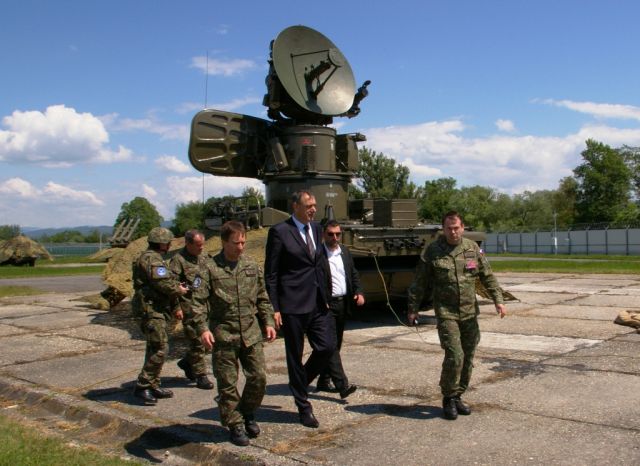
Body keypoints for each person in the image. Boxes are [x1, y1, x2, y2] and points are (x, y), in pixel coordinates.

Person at [407, 211, 506, 420]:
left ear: (462, 228)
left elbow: (487, 275)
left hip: (469, 312)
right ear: (443, 229)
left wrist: (498, 300)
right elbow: (419, 282)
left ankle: (459, 395)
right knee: (455, 355)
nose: (453, 232)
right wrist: (413, 308)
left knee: (468, 356)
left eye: (456, 228)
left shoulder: (472, 248)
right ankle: (448, 397)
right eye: (449, 228)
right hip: (446, 313)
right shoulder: (433, 251)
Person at [197, 221, 276, 447]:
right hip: (224, 335)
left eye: (243, 242)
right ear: (224, 242)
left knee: (259, 378)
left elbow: (262, 297)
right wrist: (203, 329)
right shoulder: (209, 268)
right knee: (227, 383)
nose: (240, 247)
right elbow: (197, 302)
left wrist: (268, 322)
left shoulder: (251, 265)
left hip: (251, 333)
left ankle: (247, 411)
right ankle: (235, 424)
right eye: (236, 243)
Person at [264, 190, 336, 428]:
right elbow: (271, 273)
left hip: (317, 302)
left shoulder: (316, 228)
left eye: (314, 205)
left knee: (326, 347)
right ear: (295, 206)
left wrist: (326, 294)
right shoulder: (280, 232)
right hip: (292, 304)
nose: (313, 209)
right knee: (294, 355)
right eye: (308, 206)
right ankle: (303, 406)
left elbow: (320, 264)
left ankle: (299, 383)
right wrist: (274, 307)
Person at [131, 227, 188, 405]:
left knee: (154, 347)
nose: (170, 244)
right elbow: (163, 283)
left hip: (155, 309)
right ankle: (143, 386)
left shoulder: (153, 258)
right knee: (160, 348)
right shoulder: (151, 259)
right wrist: (179, 289)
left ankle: (153, 384)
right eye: (168, 242)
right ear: (162, 243)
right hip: (151, 310)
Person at [316, 220, 364, 399]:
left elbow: (353, 273)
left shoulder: (345, 251)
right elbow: (313, 279)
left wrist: (359, 291)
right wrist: (321, 299)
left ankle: (323, 380)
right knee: (330, 344)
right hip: (326, 306)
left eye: (338, 234)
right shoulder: (317, 254)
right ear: (323, 234)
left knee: (335, 345)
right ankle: (342, 385)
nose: (334, 237)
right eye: (331, 234)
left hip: (343, 303)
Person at [169, 229, 214, 390]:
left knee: (209, 341)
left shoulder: (205, 257)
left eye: (202, 244)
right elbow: (171, 286)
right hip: (189, 307)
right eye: (197, 245)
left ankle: (188, 362)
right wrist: (176, 307)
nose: (201, 248)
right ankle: (201, 376)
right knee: (197, 342)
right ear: (188, 244)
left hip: (206, 306)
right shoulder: (178, 260)